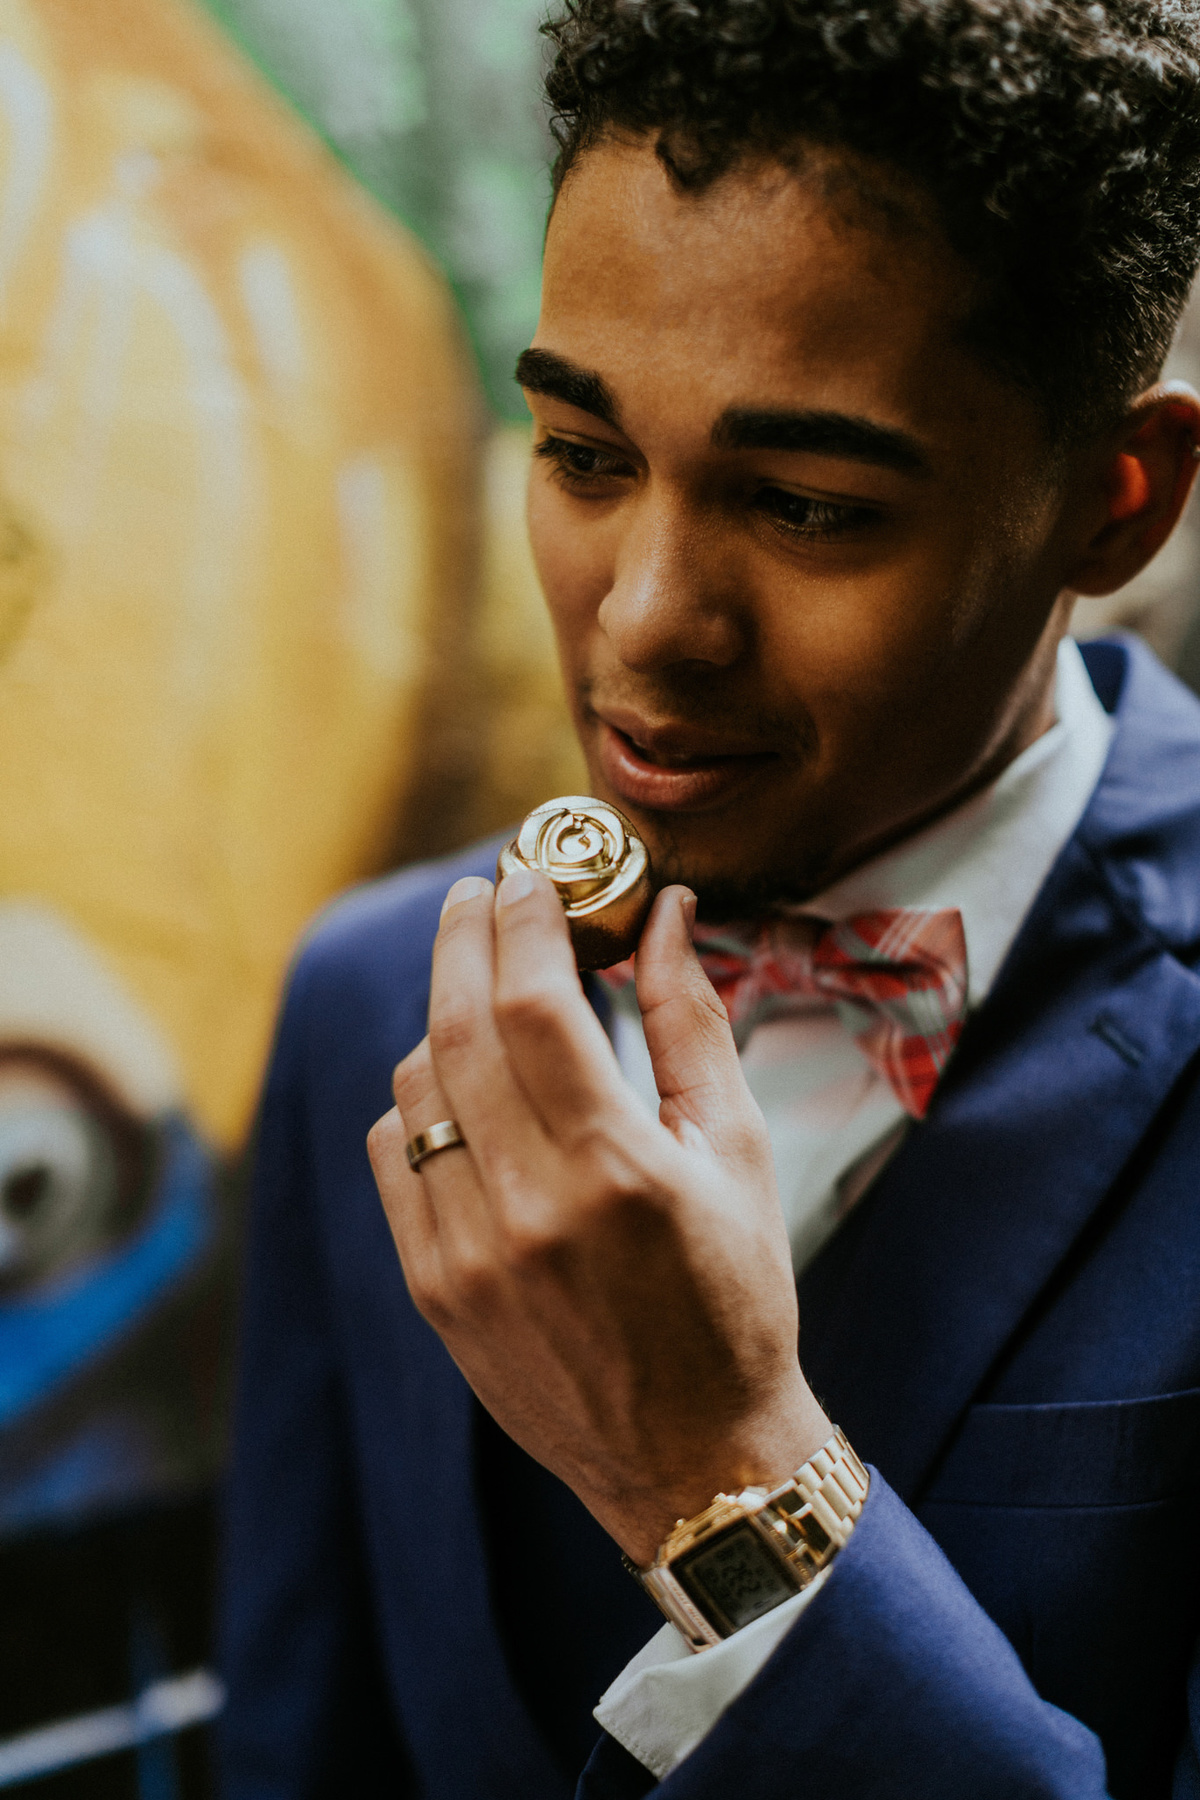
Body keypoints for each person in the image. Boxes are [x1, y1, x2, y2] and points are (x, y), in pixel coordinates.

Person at [218, 2, 1200, 1795]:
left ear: (1112, 506)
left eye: (809, 504)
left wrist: (721, 1474)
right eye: (586, 457)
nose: (647, 616)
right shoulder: (367, 1001)